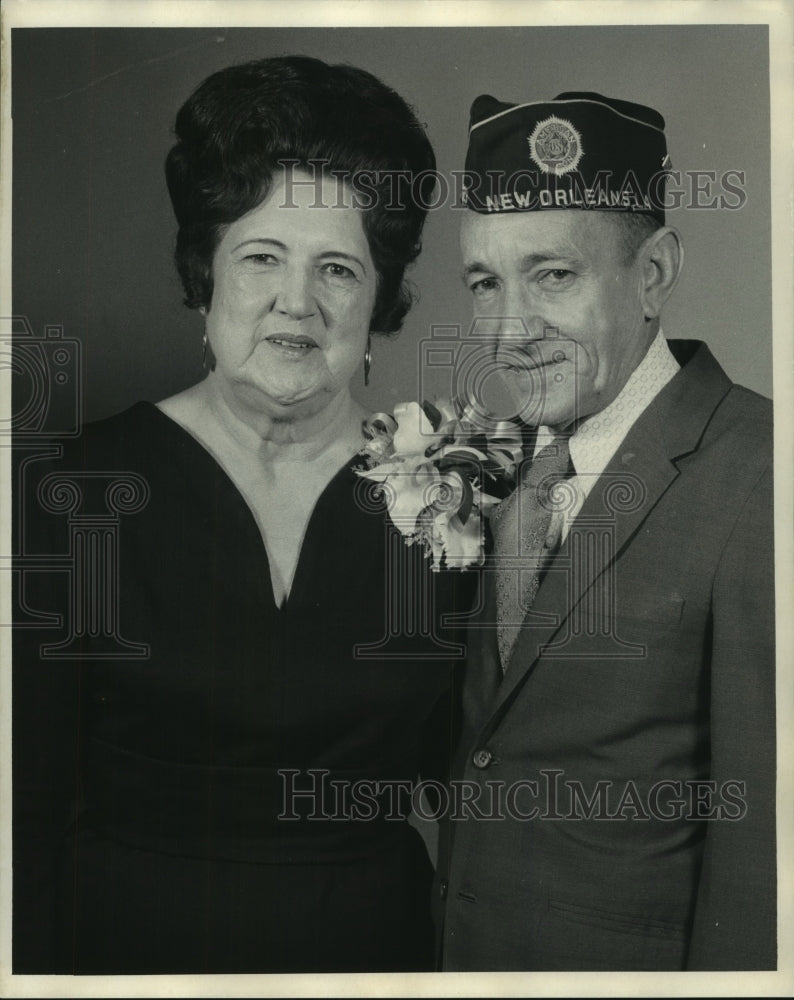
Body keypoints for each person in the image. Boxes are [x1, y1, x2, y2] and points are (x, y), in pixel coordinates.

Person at [12, 55, 473, 974]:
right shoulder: (66, 491)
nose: (295, 302)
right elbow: (11, 821)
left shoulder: (457, 499)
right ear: (205, 275)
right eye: (262, 256)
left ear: (380, 299)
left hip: (372, 961)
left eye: (338, 267)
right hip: (117, 962)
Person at [434, 92, 775, 970]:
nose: (509, 334)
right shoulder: (497, 464)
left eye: (553, 275)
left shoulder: (761, 475)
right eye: (485, 284)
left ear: (654, 271)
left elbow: (766, 864)